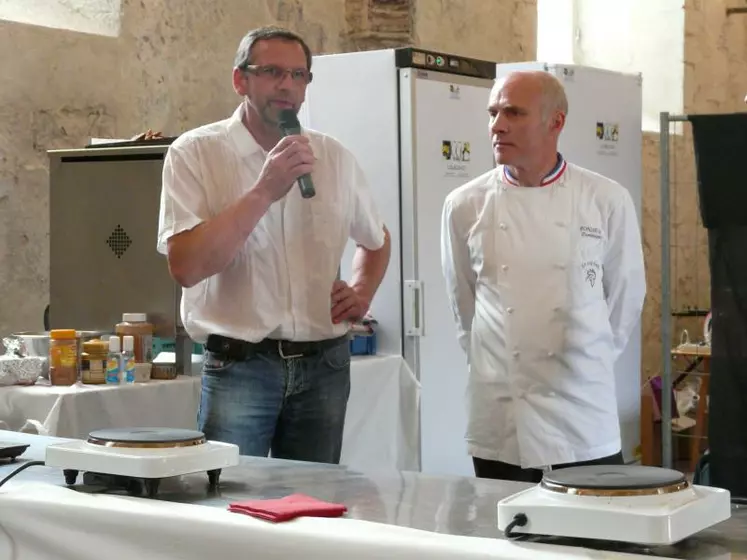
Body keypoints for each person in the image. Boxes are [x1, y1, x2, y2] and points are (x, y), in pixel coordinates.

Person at [157, 26, 391, 464]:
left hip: (325, 365)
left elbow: (376, 239)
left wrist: (361, 293)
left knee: (313, 508)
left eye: (299, 75)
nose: (287, 85)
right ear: (239, 80)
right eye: (271, 72)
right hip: (240, 366)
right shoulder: (195, 153)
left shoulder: (333, 157)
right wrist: (265, 189)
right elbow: (186, 266)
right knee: (228, 501)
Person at [440, 70, 646, 483]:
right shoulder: (464, 204)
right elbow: (464, 304)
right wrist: (495, 366)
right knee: (507, 538)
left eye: (513, 113)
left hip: (582, 413)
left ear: (556, 122)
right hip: (501, 412)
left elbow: (626, 297)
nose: (497, 125)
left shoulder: (605, 199)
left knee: (590, 540)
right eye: (493, 113)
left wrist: (589, 361)